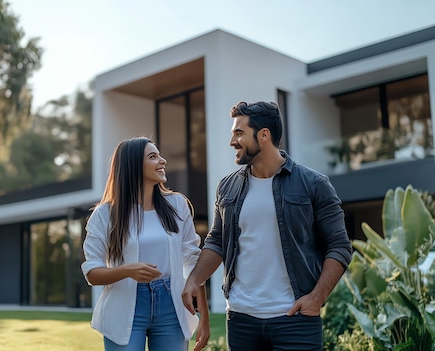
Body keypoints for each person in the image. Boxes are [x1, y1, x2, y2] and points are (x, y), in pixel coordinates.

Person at [182, 101, 353, 351]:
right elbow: (217, 241)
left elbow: (339, 246)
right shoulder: (227, 187)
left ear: (264, 135)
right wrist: (194, 279)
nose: (232, 142)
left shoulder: (313, 184)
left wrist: (317, 297)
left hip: (295, 318)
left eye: (239, 133)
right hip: (241, 319)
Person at [81, 137, 210, 351]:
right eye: (153, 156)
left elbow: (193, 260)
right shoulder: (104, 215)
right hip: (125, 308)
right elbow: (92, 272)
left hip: (172, 306)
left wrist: (203, 314)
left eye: (159, 155)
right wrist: (126, 271)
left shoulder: (177, 204)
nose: (163, 161)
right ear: (133, 166)